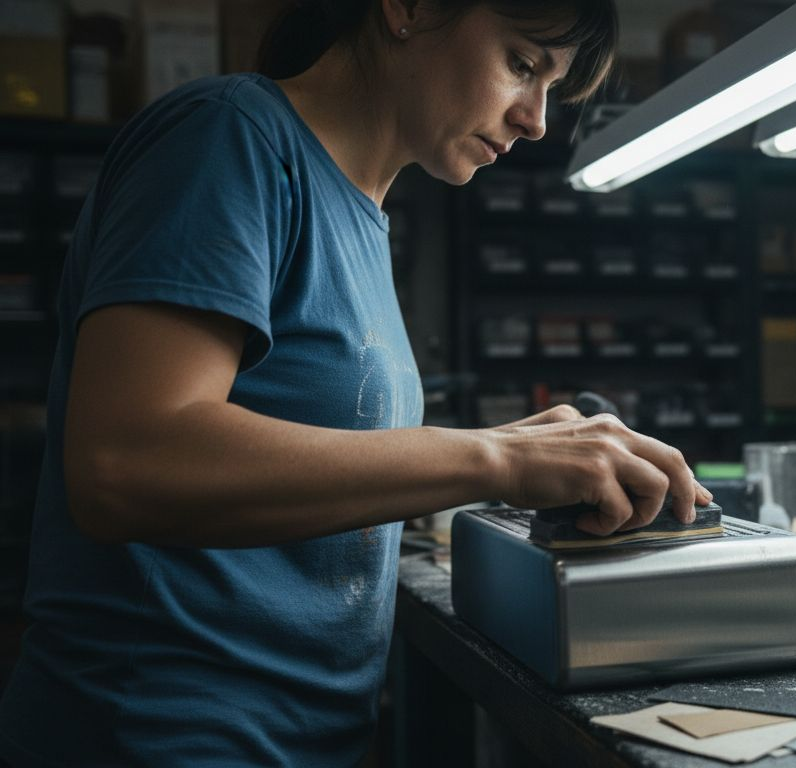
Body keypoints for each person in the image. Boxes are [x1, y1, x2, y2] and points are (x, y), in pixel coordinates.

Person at [0, 0, 712, 764]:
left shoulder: (361, 212)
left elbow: (313, 453)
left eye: (552, 86)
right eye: (522, 64)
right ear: (407, 9)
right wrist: (493, 460)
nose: (536, 119)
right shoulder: (228, 137)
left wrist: (510, 444)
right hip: (166, 734)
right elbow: (127, 464)